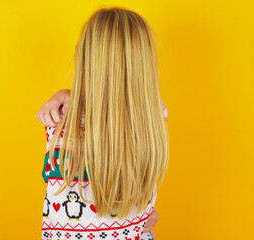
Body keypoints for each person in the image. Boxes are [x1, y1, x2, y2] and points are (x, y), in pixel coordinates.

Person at [37, 7, 169, 240]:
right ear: (145, 62)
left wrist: (63, 95)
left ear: (85, 58)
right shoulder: (155, 117)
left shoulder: (58, 118)